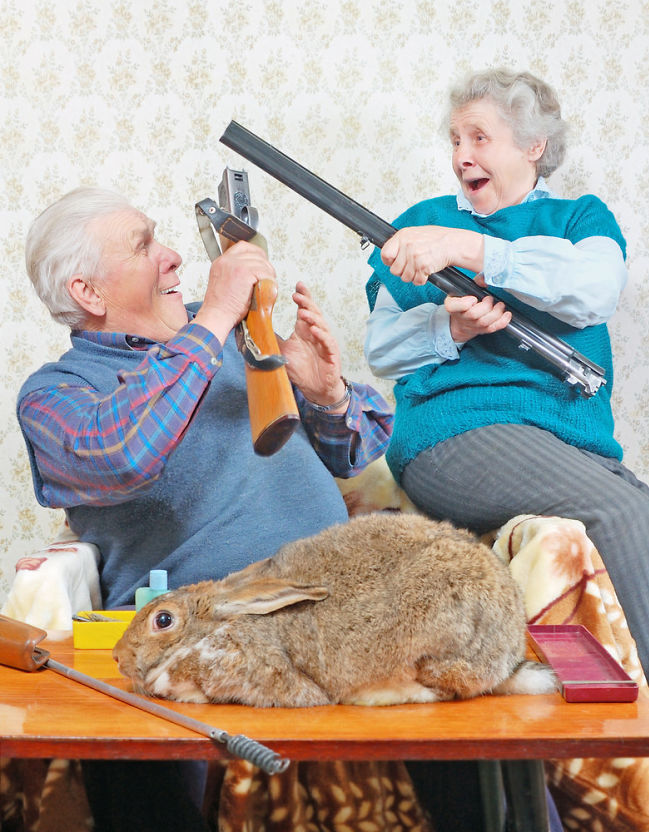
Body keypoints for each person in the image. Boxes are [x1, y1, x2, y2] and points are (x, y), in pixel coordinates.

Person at [364, 67, 649, 821]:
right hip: (455, 433)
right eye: (456, 139)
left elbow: (593, 289)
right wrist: (448, 327)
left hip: (569, 442)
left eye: (480, 137)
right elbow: (382, 348)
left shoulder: (577, 219)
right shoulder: (418, 224)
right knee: (620, 514)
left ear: (534, 146)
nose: (462, 155)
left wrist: (473, 251)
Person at [18, 186, 393, 831]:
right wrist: (214, 317)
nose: (172, 257)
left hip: (333, 604)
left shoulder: (232, 335)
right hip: (187, 635)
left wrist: (328, 394)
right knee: (132, 744)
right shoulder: (55, 395)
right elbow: (121, 454)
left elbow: (355, 450)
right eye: (144, 246)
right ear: (88, 292)